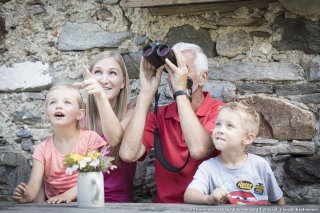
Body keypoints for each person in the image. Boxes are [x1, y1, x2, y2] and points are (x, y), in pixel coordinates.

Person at [120, 42, 224, 203]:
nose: (176, 74)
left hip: (206, 205)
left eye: (184, 68)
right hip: (164, 207)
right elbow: (128, 154)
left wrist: (181, 90)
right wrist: (146, 93)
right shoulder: (160, 115)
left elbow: (199, 149)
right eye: (172, 68)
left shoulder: (221, 112)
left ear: (203, 77)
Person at [11, 83, 107, 204]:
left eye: (67, 102)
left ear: (80, 114)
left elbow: (93, 176)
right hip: (54, 206)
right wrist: (26, 194)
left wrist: (67, 195)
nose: (58, 106)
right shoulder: (42, 149)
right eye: (53, 102)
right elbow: (34, 185)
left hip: (85, 204)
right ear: (47, 114)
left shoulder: (90, 139)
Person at [184, 102, 285, 205]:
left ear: (247, 138)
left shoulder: (260, 166)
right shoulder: (208, 168)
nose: (220, 130)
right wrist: (207, 199)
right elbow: (189, 195)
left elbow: (278, 201)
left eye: (230, 126)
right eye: (218, 124)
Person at [74, 51, 136, 202]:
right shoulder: (79, 116)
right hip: (81, 199)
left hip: (118, 204)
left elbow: (114, 138)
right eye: (97, 73)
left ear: (123, 82)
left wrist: (100, 96)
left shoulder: (132, 112)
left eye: (112, 73)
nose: (104, 80)